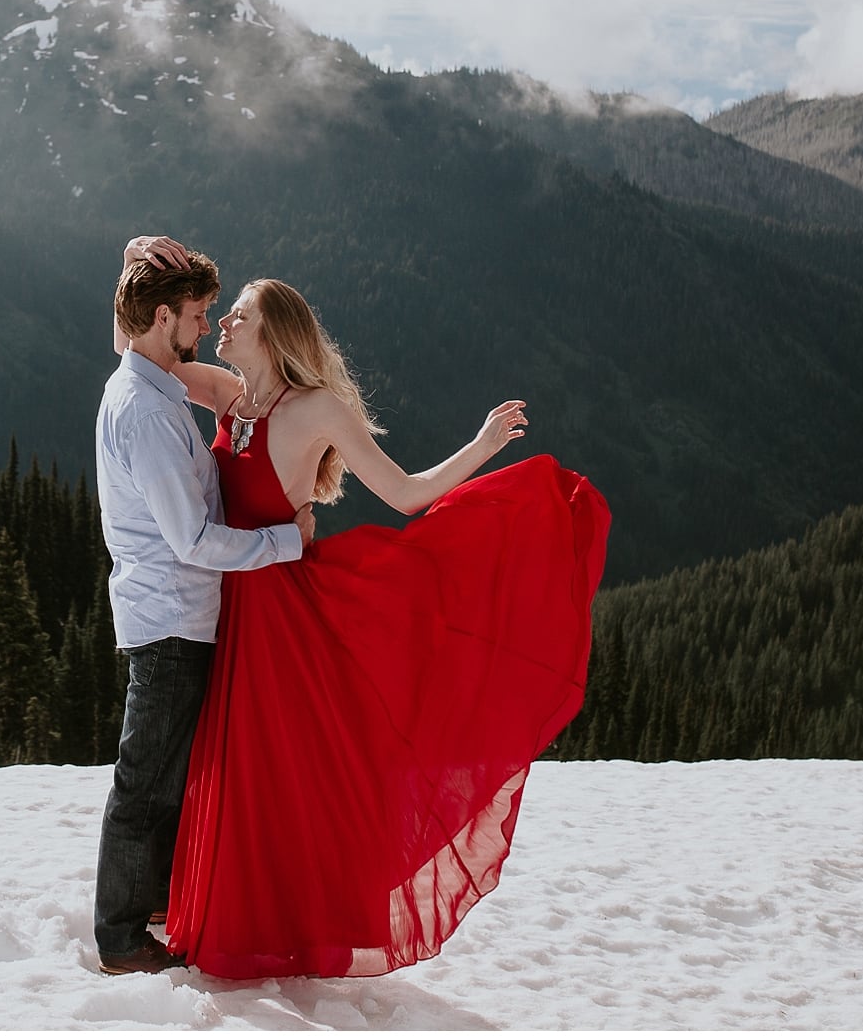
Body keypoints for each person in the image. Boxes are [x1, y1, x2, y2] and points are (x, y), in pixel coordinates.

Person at [124, 233, 610, 980]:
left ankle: (283, 925)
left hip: (285, 612)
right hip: (236, 604)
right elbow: (138, 349)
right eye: (221, 316)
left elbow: (410, 494)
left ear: (276, 330)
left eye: (240, 315)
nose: (221, 325)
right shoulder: (230, 394)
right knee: (236, 768)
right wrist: (135, 266)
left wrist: (482, 445)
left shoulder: (315, 408)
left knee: (282, 768)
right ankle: (233, 915)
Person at [92, 245, 316, 976]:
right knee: (145, 777)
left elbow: (127, 333)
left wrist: (134, 256)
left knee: (167, 774)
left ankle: (152, 904)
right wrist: (287, 542)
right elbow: (190, 539)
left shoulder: (148, 381)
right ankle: (122, 938)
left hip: (177, 615)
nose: (206, 323)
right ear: (164, 318)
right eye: (195, 314)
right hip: (170, 617)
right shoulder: (146, 413)